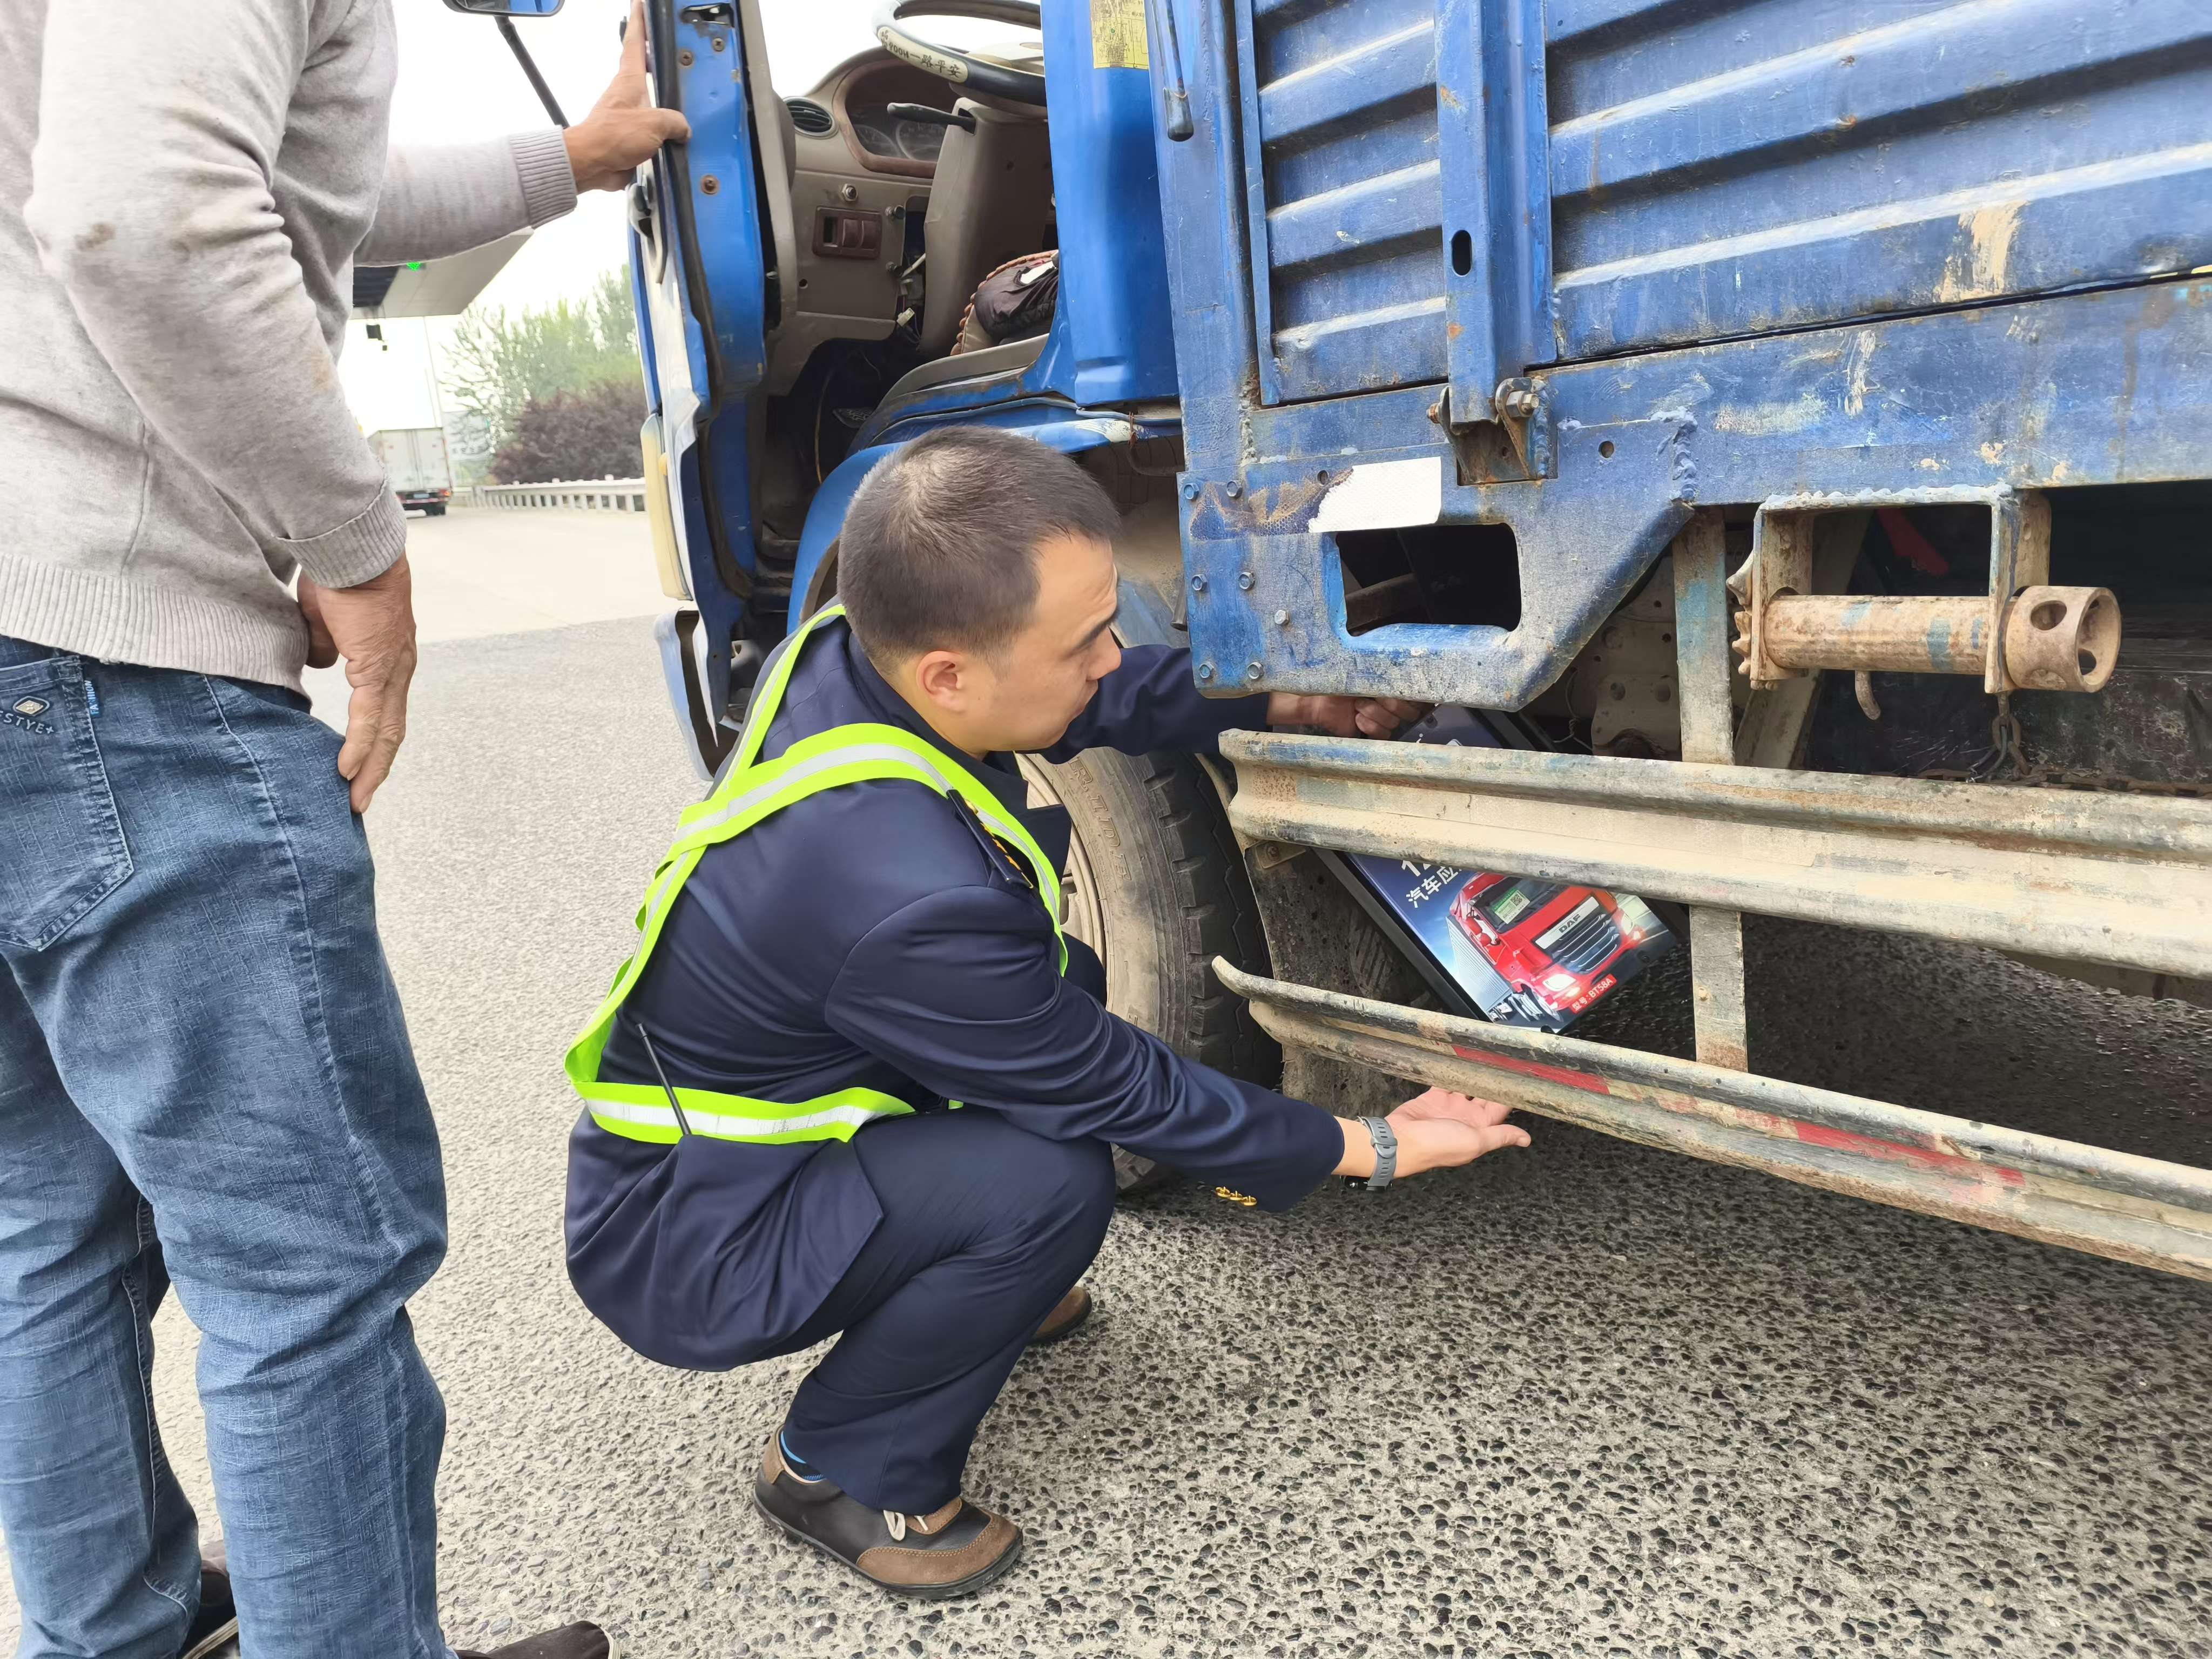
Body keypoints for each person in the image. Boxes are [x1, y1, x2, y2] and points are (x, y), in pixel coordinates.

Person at [563, 427, 1532, 1600]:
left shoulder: (853, 652)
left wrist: (1280, 696)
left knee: (1059, 982)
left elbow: (1095, 703)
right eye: (1084, 643)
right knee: (1049, 1185)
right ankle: (838, 1467)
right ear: (949, 676)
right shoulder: (897, 891)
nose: (1110, 657)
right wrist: (1368, 1145)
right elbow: (1120, 1085)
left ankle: (959, 1287)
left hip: (736, 1151)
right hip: (689, 1239)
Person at [0, 3, 683, 1655]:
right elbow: (149, 206)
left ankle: (121, 1634)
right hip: (111, 660)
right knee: (301, 1264)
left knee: (45, 1229)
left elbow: (298, 177)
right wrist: (358, 546)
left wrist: (565, 162)